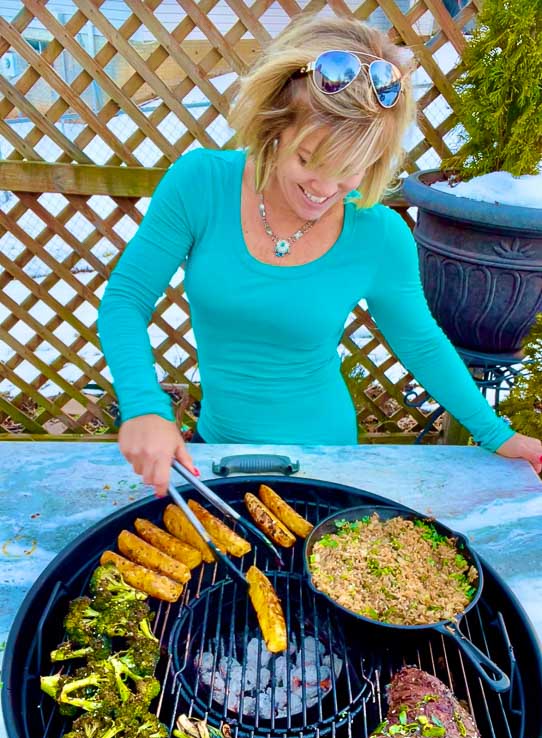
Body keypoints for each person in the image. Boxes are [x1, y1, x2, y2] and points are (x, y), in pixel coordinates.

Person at [98, 14, 542, 496]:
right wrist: (144, 405)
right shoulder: (201, 183)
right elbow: (125, 299)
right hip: (218, 452)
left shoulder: (379, 234)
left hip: (328, 461)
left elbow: (421, 343)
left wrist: (496, 434)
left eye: (350, 169)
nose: (324, 189)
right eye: (308, 160)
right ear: (275, 126)